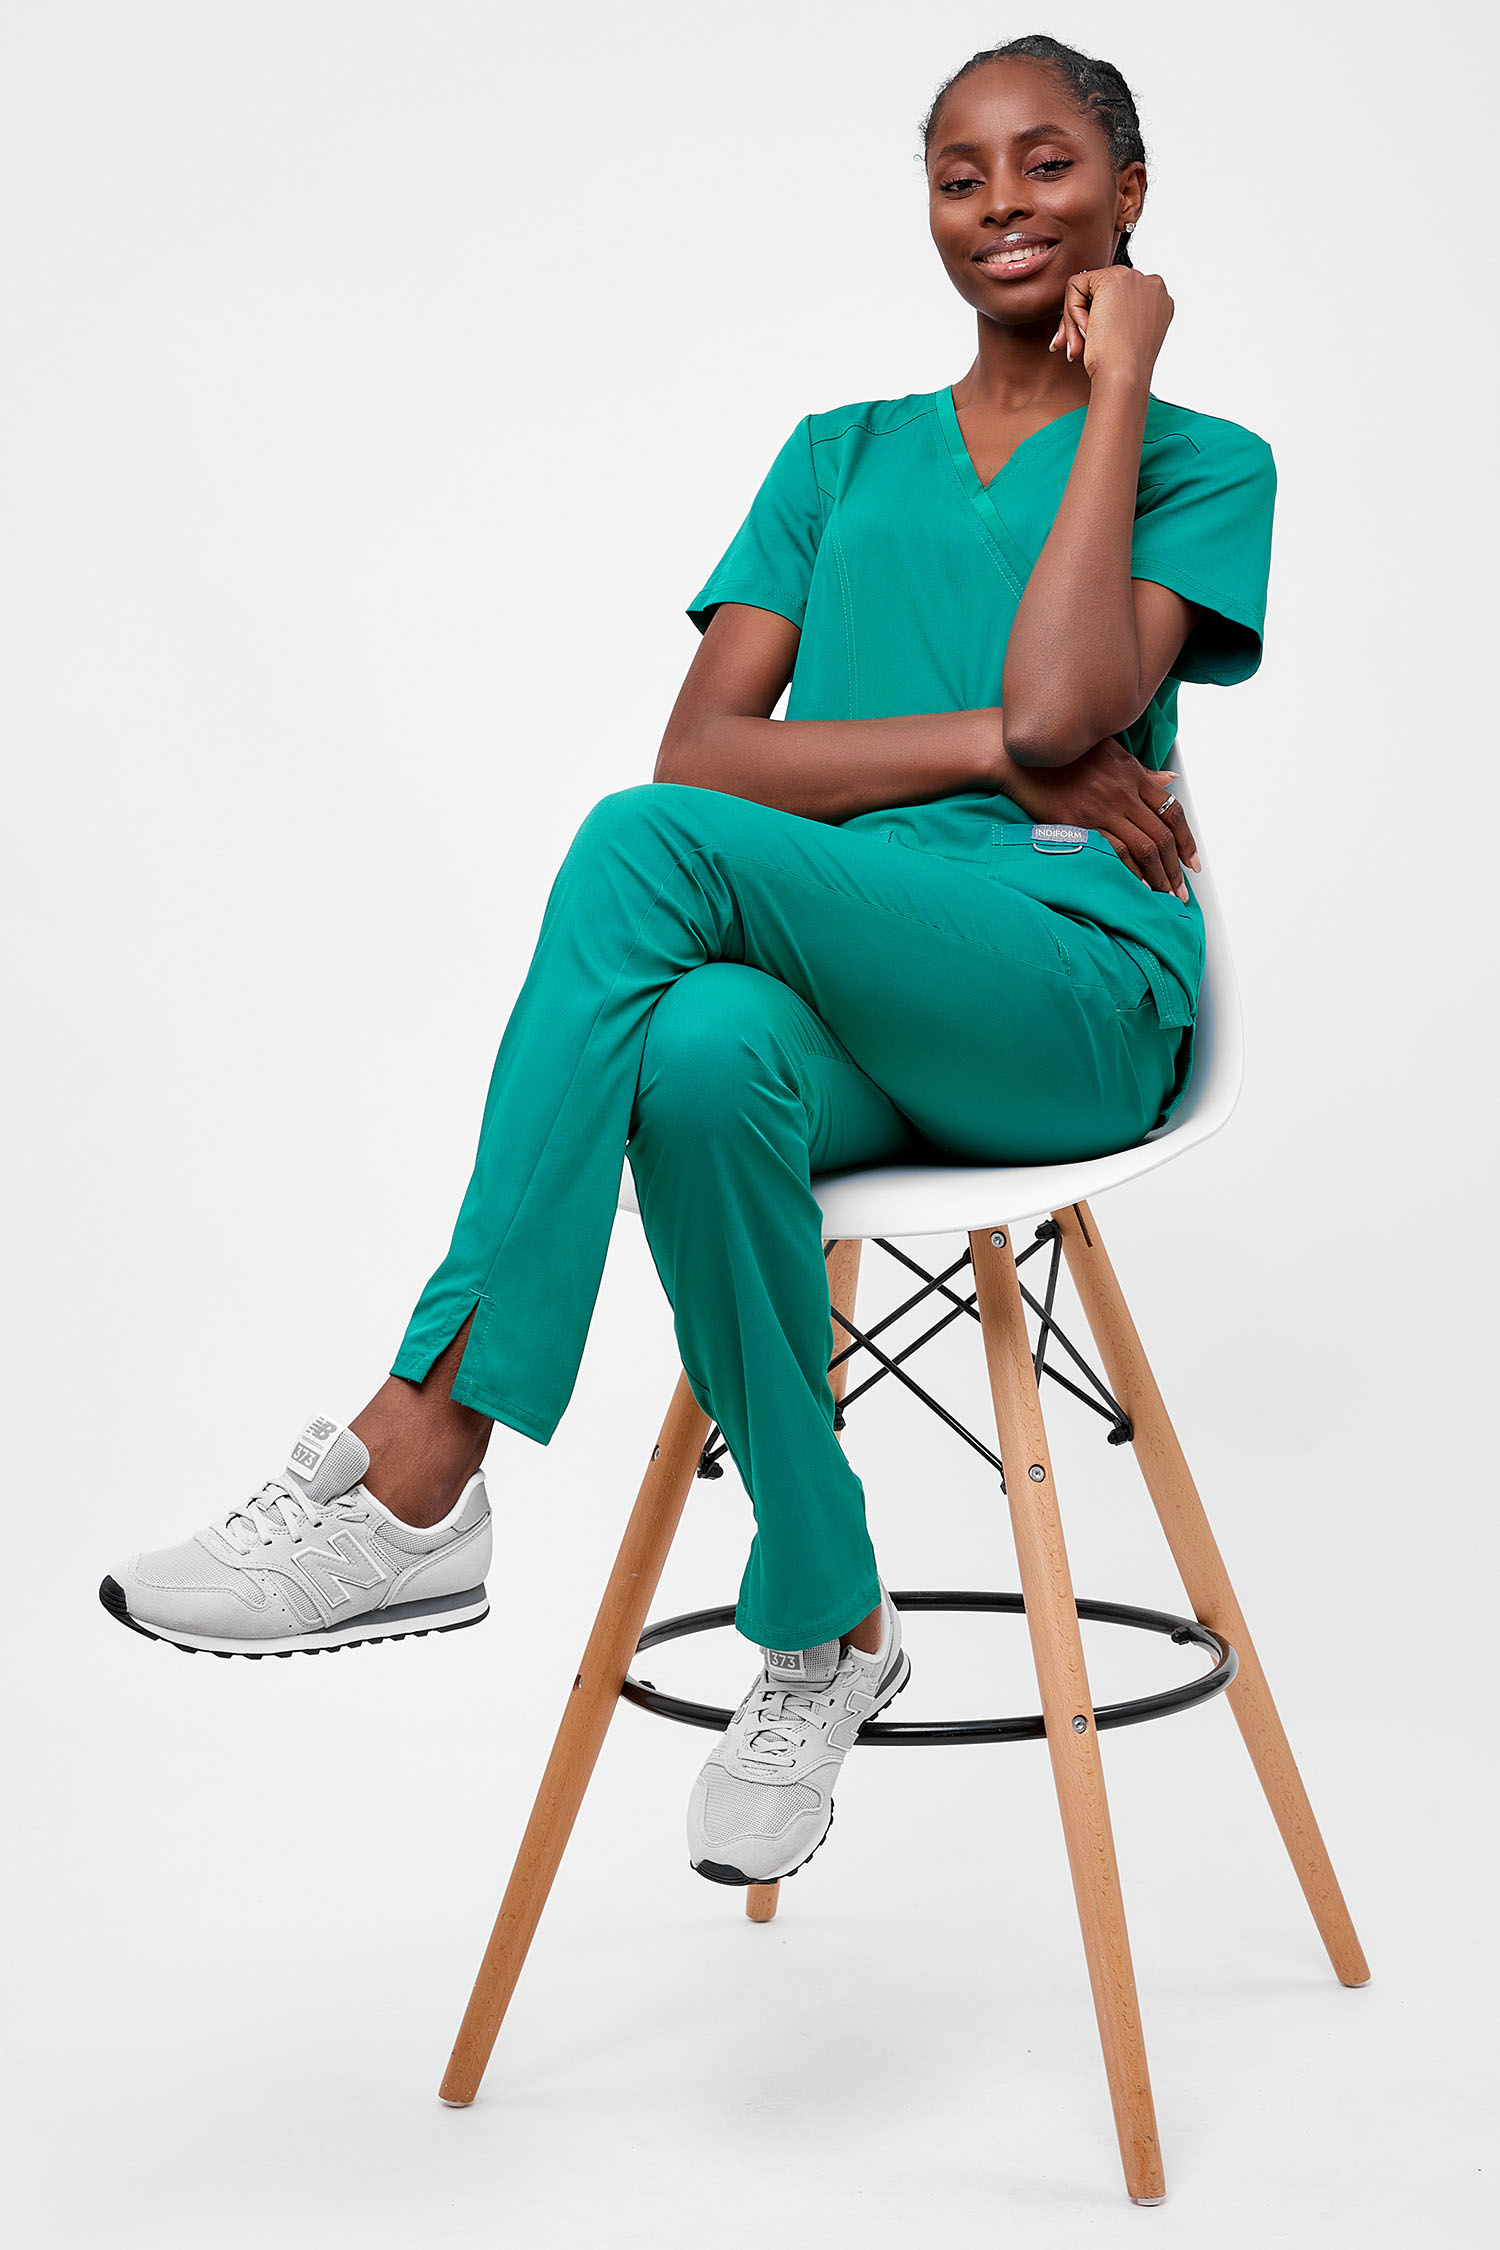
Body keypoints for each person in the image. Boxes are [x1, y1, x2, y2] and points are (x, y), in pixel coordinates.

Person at [99, 36, 1276, 1890]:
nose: (1002, 205)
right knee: (706, 1049)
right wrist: (995, 751)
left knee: (639, 851)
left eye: (1049, 165)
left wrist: (1120, 374)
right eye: (960, 175)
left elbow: (1070, 702)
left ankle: (424, 1452)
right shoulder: (836, 456)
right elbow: (712, 753)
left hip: (1068, 987)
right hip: (839, 982)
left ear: (1129, 193)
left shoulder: (1203, 461)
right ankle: (824, 1610)